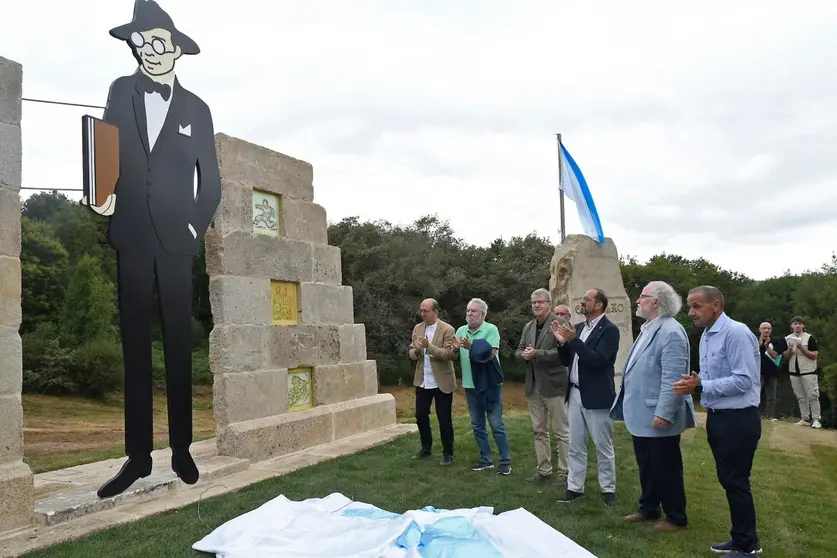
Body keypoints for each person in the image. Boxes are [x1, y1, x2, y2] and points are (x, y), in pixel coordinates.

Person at [91, 0, 222, 498]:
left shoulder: (198, 109)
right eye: (140, 43)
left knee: (177, 349)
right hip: (130, 235)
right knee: (134, 350)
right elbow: (103, 149)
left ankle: (182, 449)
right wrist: (102, 193)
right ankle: (137, 458)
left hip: (176, 242)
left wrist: (193, 229)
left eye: (158, 43)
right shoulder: (120, 91)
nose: (149, 51)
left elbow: (209, 183)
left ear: (176, 49)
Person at [674, 286, 762, 557]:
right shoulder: (707, 335)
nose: (691, 312)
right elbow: (713, 375)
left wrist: (701, 385)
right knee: (729, 479)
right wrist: (698, 380)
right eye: (689, 306)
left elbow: (744, 379)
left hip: (738, 419)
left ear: (716, 305)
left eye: (696, 306)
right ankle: (740, 537)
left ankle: (747, 545)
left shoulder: (735, 332)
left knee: (736, 481)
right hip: (719, 418)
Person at [611, 281, 696, 532]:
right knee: (647, 464)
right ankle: (649, 508)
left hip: (657, 414)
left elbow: (674, 378)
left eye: (643, 297)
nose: (638, 301)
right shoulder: (650, 327)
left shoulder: (671, 332)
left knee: (666, 467)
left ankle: (676, 517)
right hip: (642, 413)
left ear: (656, 302)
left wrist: (664, 412)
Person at [553, 288, 620, 506]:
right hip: (574, 393)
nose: (582, 302)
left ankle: (608, 489)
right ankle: (575, 487)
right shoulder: (578, 328)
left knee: (603, 444)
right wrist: (562, 342)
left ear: (598, 304)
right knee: (575, 444)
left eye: (587, 300)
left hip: (597, 395)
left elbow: (598, 360)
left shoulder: (609, 330)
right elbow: (566, 361)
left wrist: (574, 341)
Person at [515, 288, 570, 483]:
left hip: (554, 385)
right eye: (534, 303)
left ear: (549, 304)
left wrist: (538, 353)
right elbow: (519, 349)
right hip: (534, 386)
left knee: (561, 431)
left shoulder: (561, 323)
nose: (536, 305)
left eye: (540, 302)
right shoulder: (529, 326)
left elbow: (564, 354)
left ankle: (565, 473)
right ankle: (544, 470)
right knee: (538, 430)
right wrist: (523, 354)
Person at [455, 299, 511, 475]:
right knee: (477, 425)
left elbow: (490, 353)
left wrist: (471, 346)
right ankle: (485, 460)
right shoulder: (461, 331)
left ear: (483, 315)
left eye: (473, 311)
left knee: (496, 425)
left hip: (490, 385)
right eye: (468, 310)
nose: (469, 314)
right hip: (470, 385)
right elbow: (454, 352)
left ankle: (505, 461)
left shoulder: (491, 329)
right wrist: (455, 348)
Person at [408, 298, 458, 466]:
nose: (422, 314)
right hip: (423, 380)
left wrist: (429, 347)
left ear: (435, 312)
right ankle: (426, 447)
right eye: (421, 311)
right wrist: (416, 349)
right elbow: (412, 353)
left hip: (442, 380)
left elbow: (450, 355)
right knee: (420, 415)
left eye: (426, 311)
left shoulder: (447, 329)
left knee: (444, 418)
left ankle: (448, 453)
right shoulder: (418, 328)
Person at [783, 316, 822, 429]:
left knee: (813, 396)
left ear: (803, 325)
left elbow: (814, 355)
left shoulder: (809, 338)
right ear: (792, 326)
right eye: (795, 323)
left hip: (808, 371)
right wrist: (790, 349)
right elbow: (785, 357)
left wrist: (802, 348)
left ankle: (816, 419)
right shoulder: (788, 338)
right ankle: (805, 419)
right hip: (794, 372)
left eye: (800, 324)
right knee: (800, 397)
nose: (797, 326)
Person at [757, 322, 786, 422]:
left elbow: (775, 356)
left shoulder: (776, 341)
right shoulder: (755, 340)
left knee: (771, 396)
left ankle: (770, 415)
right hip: (758, 372)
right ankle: (754, 414)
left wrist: (767, 347)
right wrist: (759, 345)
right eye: (764, 328)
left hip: (772, 372)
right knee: (756, 394)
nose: (766, 330)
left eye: (768, 329)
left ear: (771, 330)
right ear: (760, 330)